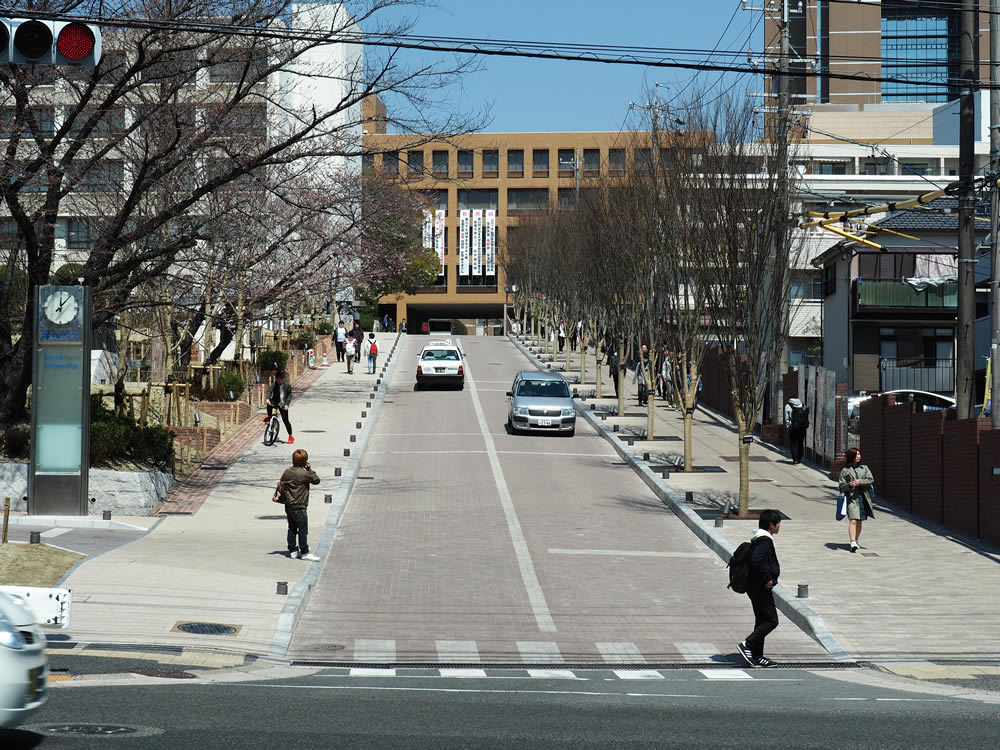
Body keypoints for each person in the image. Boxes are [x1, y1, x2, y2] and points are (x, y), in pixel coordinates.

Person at [737, 509, 782, 668]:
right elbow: (757, 560)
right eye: (778, 524)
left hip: (754, 586)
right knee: (772, 620)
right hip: (761, 586)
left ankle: (757, 656)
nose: (779, 527)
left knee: (761, 620)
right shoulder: (765, 540)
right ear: (772, 525)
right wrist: (768, 577)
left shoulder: (759, 538)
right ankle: (747, 644)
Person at [280, 449, 321, 561]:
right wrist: (310, 469)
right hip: (300, 505)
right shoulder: (304, 474)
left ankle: (292, 550)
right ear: (304, 461)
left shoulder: (287, 472)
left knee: (292, 528)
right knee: (303, 530)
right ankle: (304, 552)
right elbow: (316, 480)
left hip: (289, 505)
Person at [838, 447, 875, 553]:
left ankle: (856, 539)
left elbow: (870, 479)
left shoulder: (864, 468)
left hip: (863, 497)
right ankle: (853, 541)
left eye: (859, 454)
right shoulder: (845, 471)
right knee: (853, 519)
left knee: (859, 521)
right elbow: (841, 486)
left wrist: (860, 482)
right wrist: (850, 485)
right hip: (852, 498)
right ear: (851, 456)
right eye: (856, 454)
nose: (858, 456)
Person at [263, 371, 294, 444]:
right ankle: (270, 417)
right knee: (269, 405)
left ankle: (290, 436)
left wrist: (287, 404)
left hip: (283, 404)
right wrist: (267, 399)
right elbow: (269, 391)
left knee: (286, 420)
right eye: (279, 379)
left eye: (282, 379)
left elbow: (290, 395)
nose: (280, 381)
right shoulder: (274, 385)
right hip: (275, 401)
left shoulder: (287, 386)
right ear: (276, 379)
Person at [785, 397, 809, 464]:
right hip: (802, 427)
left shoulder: (788, 406)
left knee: (793, 443)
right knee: (800, 443)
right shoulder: (803, 405)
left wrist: (788, 426)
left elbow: (787, 417)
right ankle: (799, 458)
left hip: (793, 427)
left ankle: (795, 459)